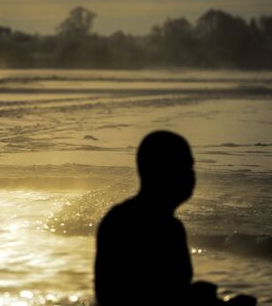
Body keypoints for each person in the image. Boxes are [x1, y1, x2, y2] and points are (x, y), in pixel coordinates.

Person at [94, 130, 257, 306]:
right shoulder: (147, 224)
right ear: (160, 172)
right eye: (185, 167)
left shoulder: (131, 217)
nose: (191, 176)